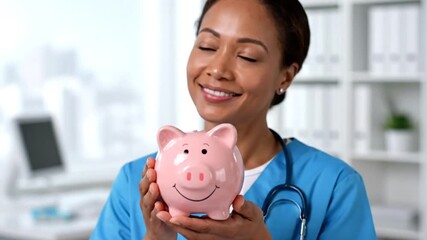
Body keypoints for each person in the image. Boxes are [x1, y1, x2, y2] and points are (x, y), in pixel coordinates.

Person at [90, 0, 377, 239]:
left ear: (285, 76)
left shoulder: (334, 185)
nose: (218, 69)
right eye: (207, 46)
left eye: (247, 56)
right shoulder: (135, 181)